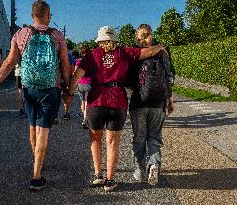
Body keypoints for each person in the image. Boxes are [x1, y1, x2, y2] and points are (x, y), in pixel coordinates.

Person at [0, 0, 71, 191]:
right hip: (51, 89)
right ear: (48, 15)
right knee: (44, 131)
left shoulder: (21, 34)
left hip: (29, 88)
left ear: (32, 16)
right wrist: (68, 89)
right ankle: (36, 176)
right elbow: (65, 65)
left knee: (33, 128)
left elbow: (9, 62)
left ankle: (37, 160)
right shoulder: (57, 36)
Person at [68, 26, 164, 192]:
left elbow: (77, 75)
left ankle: (98, 175)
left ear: (99, 40)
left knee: (95, 139)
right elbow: (147, 53)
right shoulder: (124, 52)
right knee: (112, 142)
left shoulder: (92, 54)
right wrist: (161, 47)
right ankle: (110, 180)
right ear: (114, 39)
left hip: (96, 101)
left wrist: (69, 93)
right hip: (117, 101)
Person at [128, 24, 174, 185]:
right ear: (151, 35)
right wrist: (169, 99)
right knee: (154, 137)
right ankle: (154, 164)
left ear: (137, 36)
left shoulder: (135, 53)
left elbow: (128, 80)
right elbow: (170, 77)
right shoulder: (163, 52)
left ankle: (139, 172)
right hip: (159, 102)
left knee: (139, 138)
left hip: (139, 101)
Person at [76, 43, 91, 128]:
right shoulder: (92, 61)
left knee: (82, 101)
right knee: (87, 102)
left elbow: (75, 72)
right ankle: (85, 120)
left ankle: (83, 114)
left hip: (80, 83)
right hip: (89, 83)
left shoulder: (78, 61)